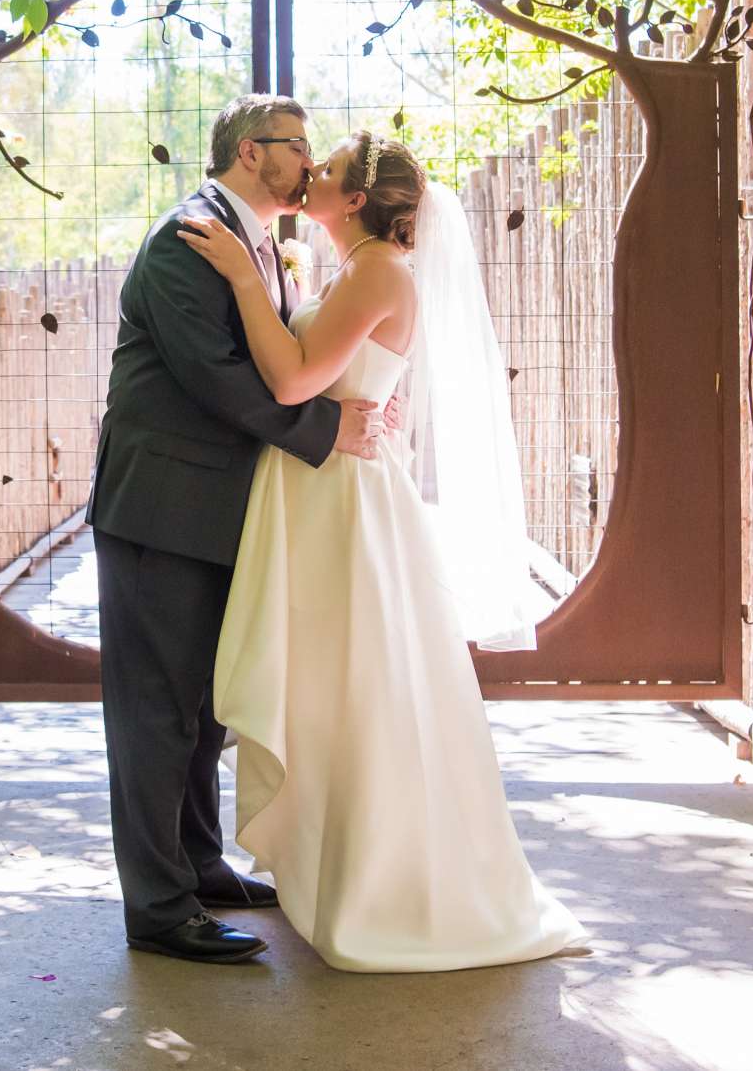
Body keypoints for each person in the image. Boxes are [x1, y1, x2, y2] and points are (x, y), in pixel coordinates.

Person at [177, 129, 588, 972]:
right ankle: (336, 874)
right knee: (333, 693)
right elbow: (329, 375)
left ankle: (380, 889)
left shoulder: (376, 272)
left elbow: (293, 382)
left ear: (356, 198)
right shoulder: (355, 268)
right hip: (324, 487)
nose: (308, 176)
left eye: (323, 170)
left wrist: (244, 282)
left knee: (356, 691)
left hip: (346, 506)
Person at [87, 94, 385, 964]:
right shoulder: (189, 238)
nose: (310, 163)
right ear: (255, 153)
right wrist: (327, 434)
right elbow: (218, 377)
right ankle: (158, 908)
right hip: (161, 513)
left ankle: (202, 867)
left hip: (216, 512)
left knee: (202, 712)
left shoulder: (253, 240)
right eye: (300, 149)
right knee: (155, 713)